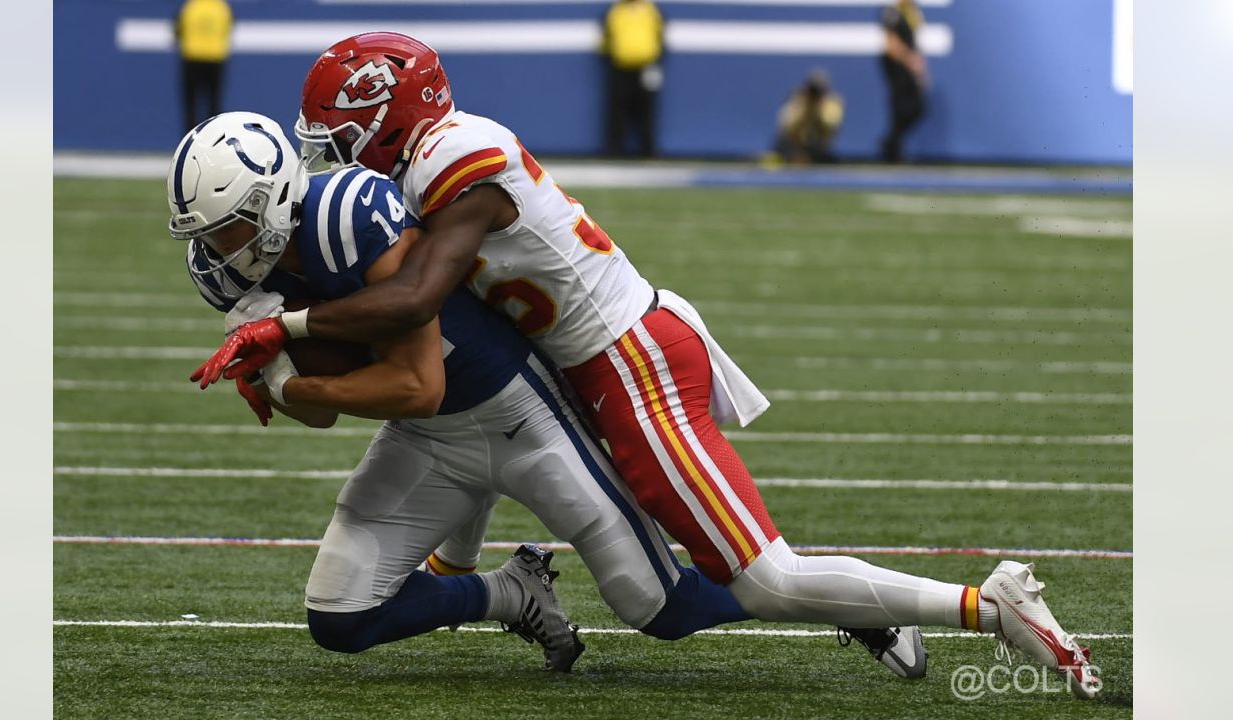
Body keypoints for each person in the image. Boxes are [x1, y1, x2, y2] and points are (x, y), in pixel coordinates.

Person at [196, 34, 1099, 697]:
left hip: (629, 364)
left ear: (383, 116)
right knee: (657, 579)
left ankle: (989, 602)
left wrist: (288, 327)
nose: (329, 150)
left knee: (762, 578)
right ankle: (479, 579)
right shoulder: (429, 159)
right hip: (583, 367)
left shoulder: (451, 158)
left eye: (338, 129)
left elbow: (419, 300)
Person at [171, 111, 809, 673]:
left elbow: (418, 384)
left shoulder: (351, 214)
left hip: (523, 415)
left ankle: (826, 598)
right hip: (429, 438)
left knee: (662, 607)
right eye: (208, 234)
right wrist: (274, 380)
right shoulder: (244, 288)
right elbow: (320, 419)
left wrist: (289, 367)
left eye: (231, 227)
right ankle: (511, 592)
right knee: (339, 617)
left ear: (276, 198)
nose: (219, 249)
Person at [601, 0, 664, 157]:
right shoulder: (616, 10)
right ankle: (614, 149)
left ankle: (647, 150)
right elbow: (607, 37)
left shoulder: (650, 9)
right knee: (617, 109)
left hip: (645, 66)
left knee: (646, 110)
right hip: (621, 67)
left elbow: (660, 34)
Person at [879, 0, 926, 163]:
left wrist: (920, 69)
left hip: (908, 64)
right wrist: (909, 60)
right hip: (897, 65)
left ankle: (891, 143)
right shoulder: (893, 11)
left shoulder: (912, 11)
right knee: (900, 107)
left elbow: (914, 42)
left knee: (917, 108)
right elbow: (891, 44)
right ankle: (892, 149)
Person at [175, 0, 233, 132]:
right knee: (214, 103)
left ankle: (189, 139)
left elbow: (178, 31)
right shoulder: (221, 8)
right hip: (215, 59)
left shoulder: (190, 7)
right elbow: (228, 29)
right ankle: (214, 138)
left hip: (192, 58)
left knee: (191, 105)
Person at [771, 69, 845, 165]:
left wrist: (818, 110)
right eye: (812, 91)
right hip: (793, 146)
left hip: (817, 148)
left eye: (818, 91)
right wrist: (804, 110)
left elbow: (830, 127)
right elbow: (786, 127)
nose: (814, 95)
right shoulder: (798, 100)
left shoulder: (832, 104)